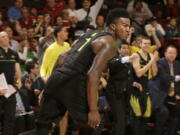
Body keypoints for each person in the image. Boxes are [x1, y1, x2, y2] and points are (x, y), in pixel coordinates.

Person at [36, 8, 131, 135]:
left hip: (57, 77)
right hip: (73, 80)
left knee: (43, 125)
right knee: (94, 123)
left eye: (129, 26)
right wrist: (93, 110)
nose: (128, 29)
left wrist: (49, 87)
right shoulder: (110, 43)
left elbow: (62, 57)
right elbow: (93, 74)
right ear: (113, 26)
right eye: (124, 25)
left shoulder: (90, 34)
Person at [105, 40, 143, 135]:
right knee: (120, 118)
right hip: (114, 92)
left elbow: (127, 76)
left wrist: (134, 83)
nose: (126, 50)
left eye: (128, 48)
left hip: (125, 92)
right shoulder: (115, 58)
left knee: (123, 118)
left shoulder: (129, 61)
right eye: (124, 48)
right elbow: (112, 64)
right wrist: (128, 58)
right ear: (119, 49)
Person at [131, 36, 158, 135]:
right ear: (140, 44)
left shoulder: (150, 56)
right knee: (137, 115)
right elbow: (138, 73)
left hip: (147, 86)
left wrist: (153, 60)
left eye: (148, 43)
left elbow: (154, 73)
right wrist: (151, 61)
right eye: (145, 43)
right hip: (136, 87)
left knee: (146, 115)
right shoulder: (136, 55)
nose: (147, 45)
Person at [0, 31, 22, 135]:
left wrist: (19, 81)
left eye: (7, 36)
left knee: (10, 117)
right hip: (0, 88)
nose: (6, 38)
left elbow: (17, 70)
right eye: (3, 37)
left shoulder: (14, 53)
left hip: (10, 88)